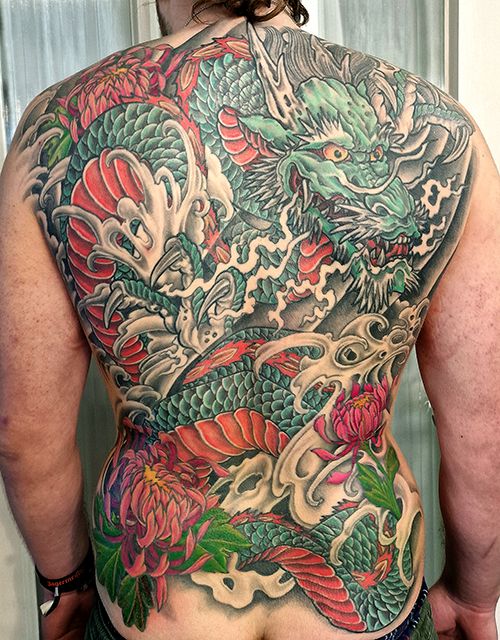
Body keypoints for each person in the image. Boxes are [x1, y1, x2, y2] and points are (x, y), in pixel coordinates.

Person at [0, 0, 499, 638]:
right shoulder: (449, 132)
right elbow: (485, 431)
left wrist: (64, 584)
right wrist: (475, 596)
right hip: (368, 594)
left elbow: (23, 435)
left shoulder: (53, 128)